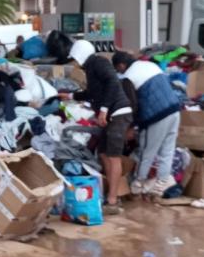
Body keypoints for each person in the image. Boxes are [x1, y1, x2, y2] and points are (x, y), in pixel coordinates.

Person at [62, 40, 132, 215]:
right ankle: (109, 194)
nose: (76, 62)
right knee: (103, 153)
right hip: (110, 114)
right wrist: (70, 95)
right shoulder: (92, 68)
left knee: (113, 156)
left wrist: (103, 110)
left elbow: (113, 83)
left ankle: (113, 200)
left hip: (118, 113)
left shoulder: (99, 63)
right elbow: (92, 93)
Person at [111, 50, 182, 198]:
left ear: (122, 65)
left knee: (146, 152)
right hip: (175, 110)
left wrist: (131, 127)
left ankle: (138, 184)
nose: (118, 72)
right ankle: (161, 185)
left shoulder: (128, 78)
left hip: (157, 116)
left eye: (117, 69)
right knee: (167, 151)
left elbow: (133, 105)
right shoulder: (150, 65)